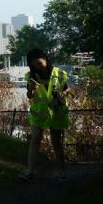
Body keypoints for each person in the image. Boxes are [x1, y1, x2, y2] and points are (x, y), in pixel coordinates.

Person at [19, 48, 70, 181]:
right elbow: (29, 96)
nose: (38, 67)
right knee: (35, 140)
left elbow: (66, 91)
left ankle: (61, 171)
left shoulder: (59, 73)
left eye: (39, 63)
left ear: (46, 59)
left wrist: (57, 97)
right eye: (34, 65)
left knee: (56, 142)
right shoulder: (31, 76)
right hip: (39, 112)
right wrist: (31, 89)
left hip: (56, 112)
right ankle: (30, 171)